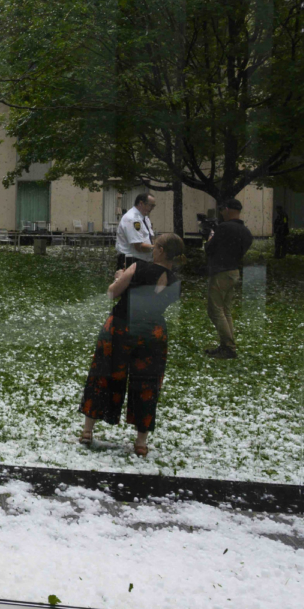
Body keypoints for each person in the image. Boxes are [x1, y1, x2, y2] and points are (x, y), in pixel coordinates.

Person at [79, 233, 185, 457]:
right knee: (147, 384)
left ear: (162, 251)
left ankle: (88, 430)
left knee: (103, 375)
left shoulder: (137, 267)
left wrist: (119, 278)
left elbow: (111, 293)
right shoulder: (175, 282)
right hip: (152, 334)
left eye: (155, 246)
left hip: (121, 326)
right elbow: (154, 299)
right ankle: (141, 442)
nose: (152, 249)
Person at [205, 199, 254, 360]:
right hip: (234, 271)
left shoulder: (223, 228)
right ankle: (227, 344)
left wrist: (211, 236)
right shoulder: (245, 231)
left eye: (222, 210)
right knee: (226, 310)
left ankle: (228, 347)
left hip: (221, 273)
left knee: (215, 310)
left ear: (227, 209)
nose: (221, 213)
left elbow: (209, 249)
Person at [115, 193, 157, 271]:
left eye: (153, 206)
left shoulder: (144, 218)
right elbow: (138, 246)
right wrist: (159, 249)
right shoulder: (132, 218)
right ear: (141, 203)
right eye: (150, 205)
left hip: (141, 260)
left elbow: (151, 239)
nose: (152, 208)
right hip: (130, 261)